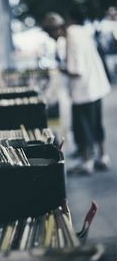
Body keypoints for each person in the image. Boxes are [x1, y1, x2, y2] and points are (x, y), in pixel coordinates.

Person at [42, 11, 111, 175]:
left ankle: (87, 162)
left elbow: (76, 70)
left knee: (83, 128)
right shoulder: (78, 31)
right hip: (96, 86)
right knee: (96, 124)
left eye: (50, 34)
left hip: (84, 91)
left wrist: (58, 68)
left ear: (55, 29)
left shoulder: (70, 40)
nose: (51, 38)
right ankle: (103, 157)